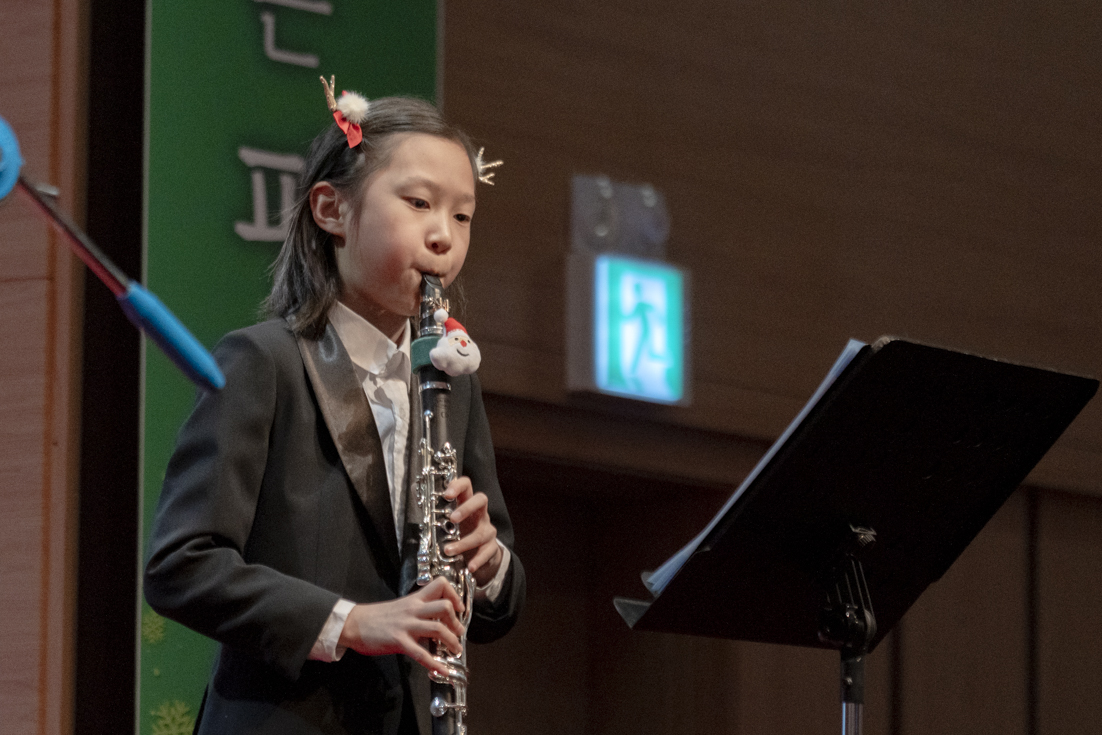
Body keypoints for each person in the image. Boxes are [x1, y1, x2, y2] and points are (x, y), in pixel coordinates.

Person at [143, 81, 525, 735]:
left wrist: (489, 564)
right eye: (418, 203)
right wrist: (351, 622)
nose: (444, 236)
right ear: (331, 209)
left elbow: (500, 607)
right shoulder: (265, 362)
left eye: (462, 216)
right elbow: (181, 564)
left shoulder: (451, 381)